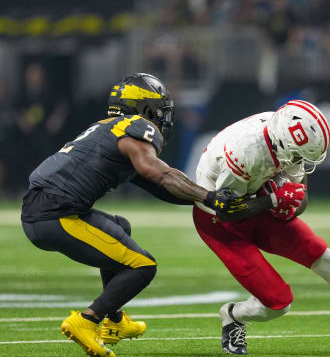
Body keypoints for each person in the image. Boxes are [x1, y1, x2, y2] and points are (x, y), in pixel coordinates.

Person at [20, 73, 242, 357]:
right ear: (145, 106)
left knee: (119, 227)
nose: (163, 115)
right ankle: (87, 320)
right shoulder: (136, 128)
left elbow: (159, 187)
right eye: (160, 108)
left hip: (46, 208)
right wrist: (210, 196)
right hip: (55, 214)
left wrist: (203, 202)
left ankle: (114, 322)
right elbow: (161, 174)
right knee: (142, 266)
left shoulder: (110, 128)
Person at [192, 100, 330, 355]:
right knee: (278, 302)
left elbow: (300, 198)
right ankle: (233, 315)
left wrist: (289, 201)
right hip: (218, 220)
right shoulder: (245, 151)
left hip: (256, 198)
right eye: (296, 156)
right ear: (283, 144)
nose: (297, 161)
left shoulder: (285, 135)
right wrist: (273, 199)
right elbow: (227, 211)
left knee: (323, 256)